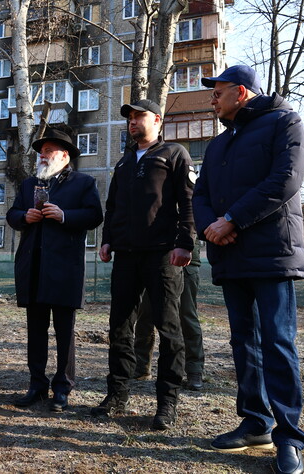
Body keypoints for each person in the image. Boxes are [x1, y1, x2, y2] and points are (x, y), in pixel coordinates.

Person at [193, 65, 304, 474]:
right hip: (231, 255)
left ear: (241, 92)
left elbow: (285, 181)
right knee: (245, 342)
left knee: (278, 343)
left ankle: (290, 437)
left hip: (271, 253)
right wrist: (211, 228)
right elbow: (201, 193)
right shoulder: (219, 144)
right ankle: (256, 422)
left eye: (217, 92)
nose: (212, 99)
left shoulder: (286, 123)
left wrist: (232, 220)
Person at [92, 99, 196, 431]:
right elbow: (113, 206)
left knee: (169, 328)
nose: (133, 122)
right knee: (120, 326)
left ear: (158, 120)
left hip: (163, 255)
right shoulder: (124, 163)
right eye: (130, 118)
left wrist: (185, 242)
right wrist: (107, 239)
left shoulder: (174, 153)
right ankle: (116, 395)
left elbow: (189, 200)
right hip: (125, 255)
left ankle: (167, 403)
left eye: (139, 116)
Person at [7, 128, 103, 412]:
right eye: (41, 151)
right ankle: (37, 385)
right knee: (35, 330)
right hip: (33, 266)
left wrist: (64, 215)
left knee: (65, 331)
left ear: (64, 155)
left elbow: (94, 215)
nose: (42, 155)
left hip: (65, 267)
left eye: (48, 150)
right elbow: (12, 214)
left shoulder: (83, 183)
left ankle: (62, 388)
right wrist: (25, 216)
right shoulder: (28, 185)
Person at [133, 244, 204, 390]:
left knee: (187, 316)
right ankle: (141, 367)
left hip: (185, 260)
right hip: (155, 258)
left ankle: (194, 370)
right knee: (145, 314)